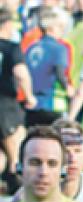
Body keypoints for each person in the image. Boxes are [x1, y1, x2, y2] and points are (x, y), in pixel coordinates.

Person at [0, 7, 36, 189]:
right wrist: (29, 96)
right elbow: (20, 73)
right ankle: (19, 193)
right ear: (7, 25)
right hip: (5, 105)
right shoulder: (11, 47)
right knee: (17, 151)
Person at [24, 8, 74, 127]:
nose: (62, 30)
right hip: (52, 103)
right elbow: (60, 73)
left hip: (32, 103)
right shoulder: (59, 48)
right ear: (50, 29)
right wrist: (68, 88)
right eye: (59, 27)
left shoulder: (31, 47)